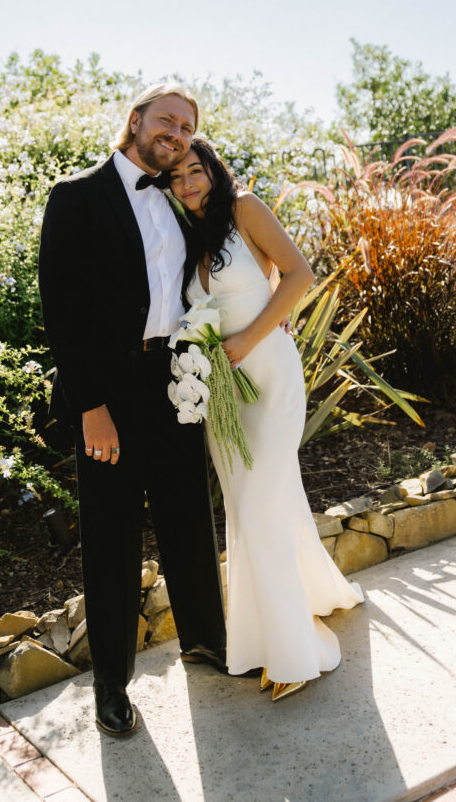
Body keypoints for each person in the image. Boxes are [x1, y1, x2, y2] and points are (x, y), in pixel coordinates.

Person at [38, 86, 226, 738]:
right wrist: (90, 407)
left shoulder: (178, 203)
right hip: (108, 395)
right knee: (113, 541)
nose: (177, 132)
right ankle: (111, 691)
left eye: (187, 126)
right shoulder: (75, 196)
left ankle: (205, 640)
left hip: (173, 382)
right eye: (167, 120)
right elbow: (60, 313)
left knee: (188, 521)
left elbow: (208, 276)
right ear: (135, 121)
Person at [168, 137, 365, 701]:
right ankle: (309, 597)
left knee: (258, 500)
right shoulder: (189, 235)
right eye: (176, 177)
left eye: (195, 170)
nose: (187, 183)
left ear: (212, 169)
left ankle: (293, 653)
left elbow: (299, 274)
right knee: (253, 500)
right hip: (224, 386)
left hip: (270, 375)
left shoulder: (244, 207)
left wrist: (252, 335)